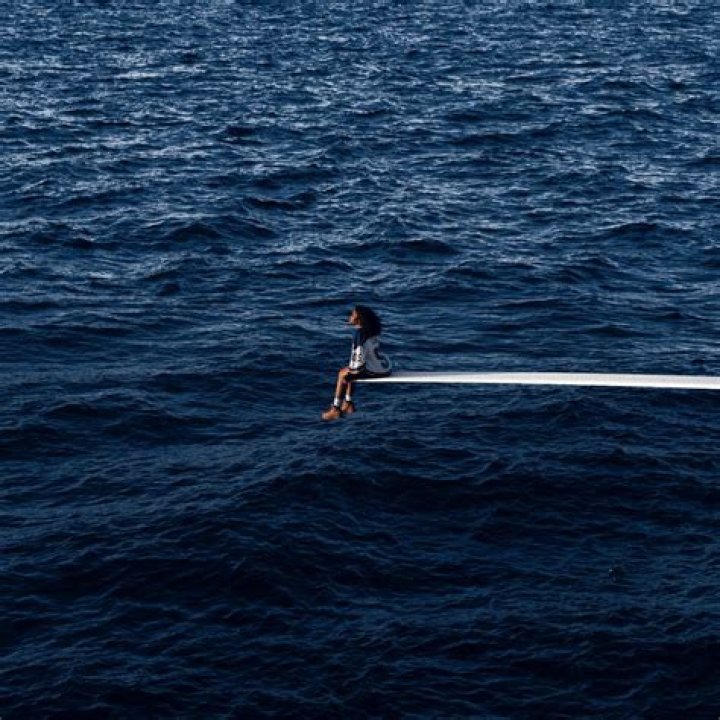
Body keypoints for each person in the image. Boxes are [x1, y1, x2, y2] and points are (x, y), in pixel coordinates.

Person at [322, 305, 392, 421]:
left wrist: (353, 371)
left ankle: (335, 409)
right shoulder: (371, 331)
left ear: (359, 319)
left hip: (375, 371)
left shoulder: (360, 334)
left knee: (342, 374)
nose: (350, 317)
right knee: (349, 370)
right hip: (384, 367)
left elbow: (359, 355)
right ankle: (348, 403)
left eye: (352, 315)